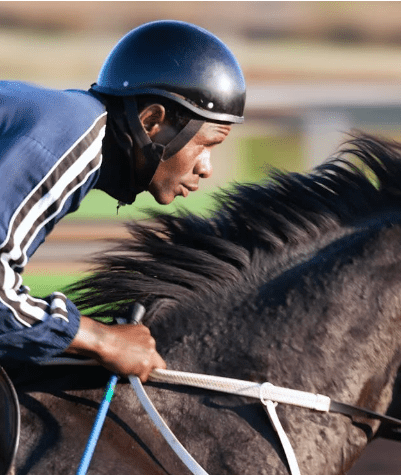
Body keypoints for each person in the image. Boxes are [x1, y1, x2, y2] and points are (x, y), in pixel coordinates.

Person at [0, 20, 246, 382]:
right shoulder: (72, 135)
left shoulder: (69, 122)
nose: (206, 168)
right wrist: (104, 341)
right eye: (206, 144)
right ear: (151, 122)